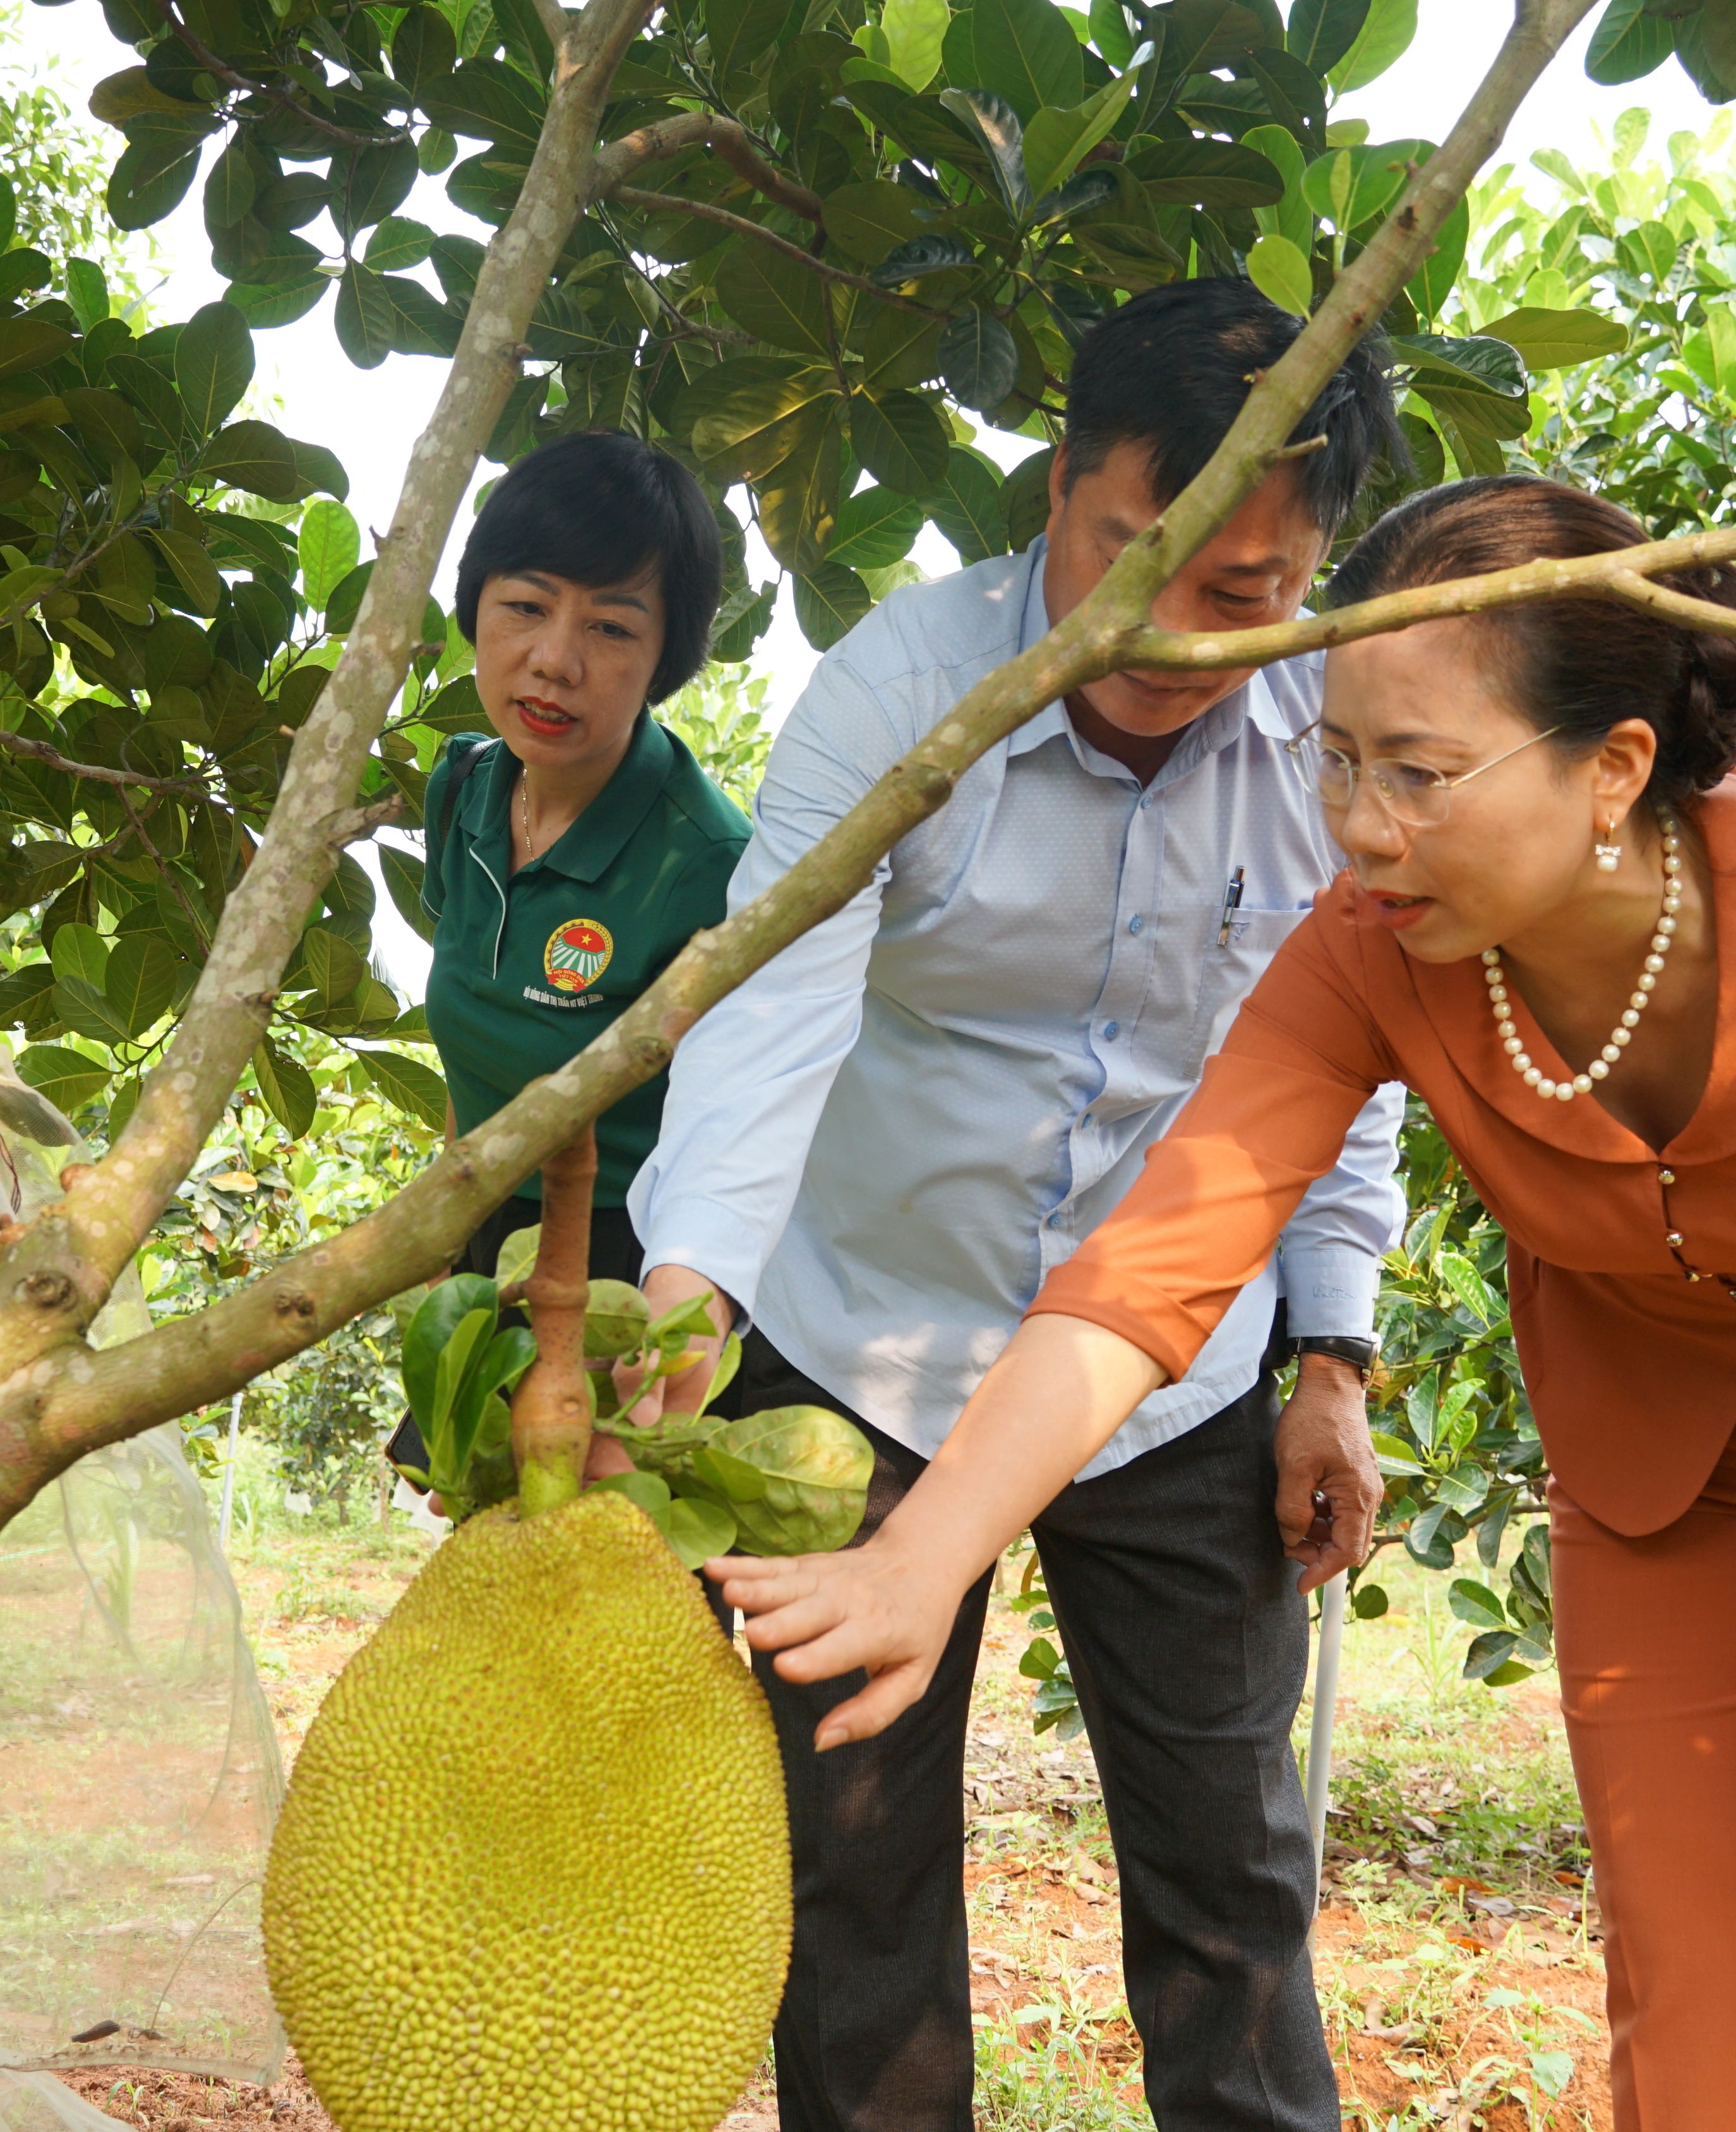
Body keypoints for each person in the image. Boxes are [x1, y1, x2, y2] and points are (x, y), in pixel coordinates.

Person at [715, 473, 1736, 2132]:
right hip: (1674, 1480)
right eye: (1335, 760)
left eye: (1420, 774)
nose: (1361, 826)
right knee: (1695, 1995)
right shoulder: (1374, 950)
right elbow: (1158, 1265)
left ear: (1613, 769)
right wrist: (924, 1554)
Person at [623, 279, 1410, 2132]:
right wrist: (688, 1294)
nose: (1163, 621)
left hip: (1178, 1373)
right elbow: (770, 1009)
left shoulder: (1332, 732)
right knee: (854, 1879)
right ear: (1058, 486)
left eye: (1241, 587)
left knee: (1232, 1872)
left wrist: (1334, 1355)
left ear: (1313, 567)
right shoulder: (908, 689)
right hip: (861, 1346)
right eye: (1131, 550)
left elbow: (1339, 1056)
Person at [413, 427, 750, 1293]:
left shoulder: (710, 865)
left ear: (663, 659)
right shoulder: (463, 791)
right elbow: (475, 1042)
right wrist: (439, 1223)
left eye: (608, 626)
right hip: (472, 1216)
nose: (554, 660)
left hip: (625, 1267)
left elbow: (743, 1135)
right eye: (526, 606)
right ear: (476, 607)